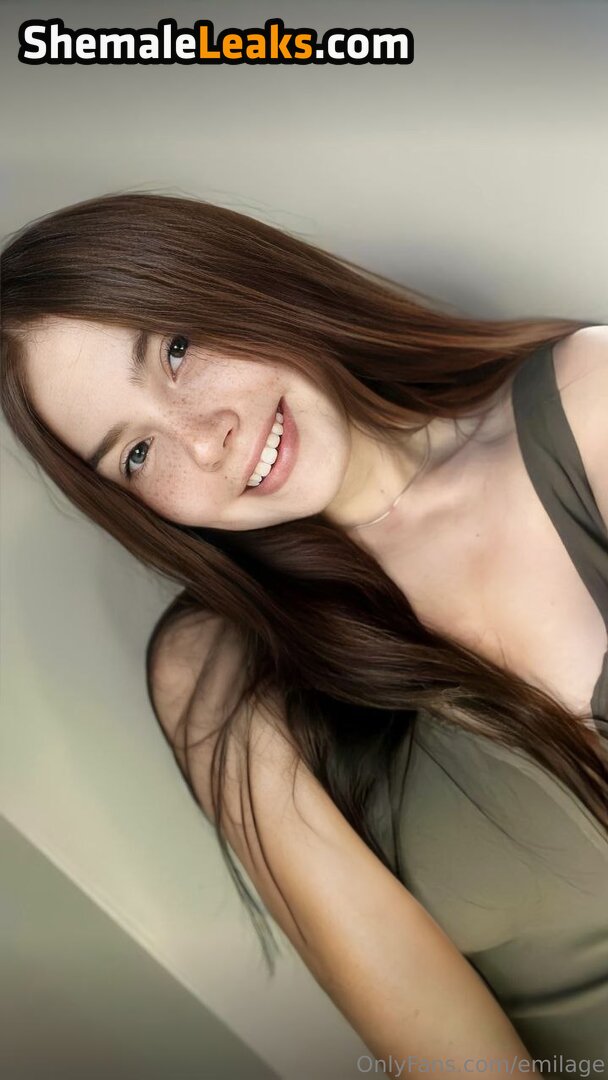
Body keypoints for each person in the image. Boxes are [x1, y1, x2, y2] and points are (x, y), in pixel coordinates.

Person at [1, 191, 607, 1071]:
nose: (202, 442)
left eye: (177, 350)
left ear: (239, 280)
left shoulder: (588, 402)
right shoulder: (218, 676)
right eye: (135, 454)